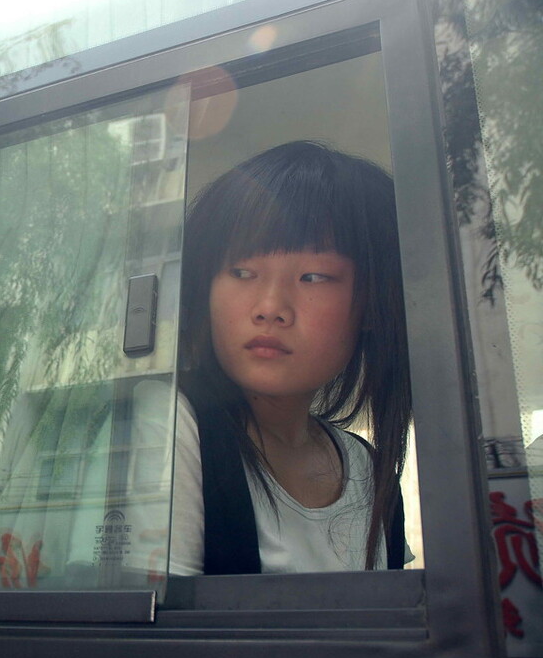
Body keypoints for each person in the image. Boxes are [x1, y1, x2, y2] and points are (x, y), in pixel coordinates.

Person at [170, 141, 411, 575]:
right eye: (241, 272)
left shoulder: (367, 468)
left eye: (313, 276)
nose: (269, 307)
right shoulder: (171, 426)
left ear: (374, 303)